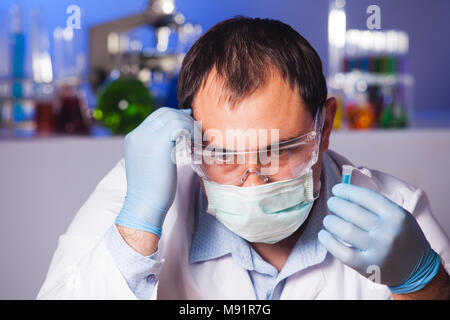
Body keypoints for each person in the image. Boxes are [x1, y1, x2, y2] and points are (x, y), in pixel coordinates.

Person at [38, 17, 449, 300]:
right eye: (221, 154)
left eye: (279, 150)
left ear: (323, 131)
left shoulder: (396, 214)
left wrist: (421, 282)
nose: (252, 182)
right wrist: (137, 227)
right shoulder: (140, 193)